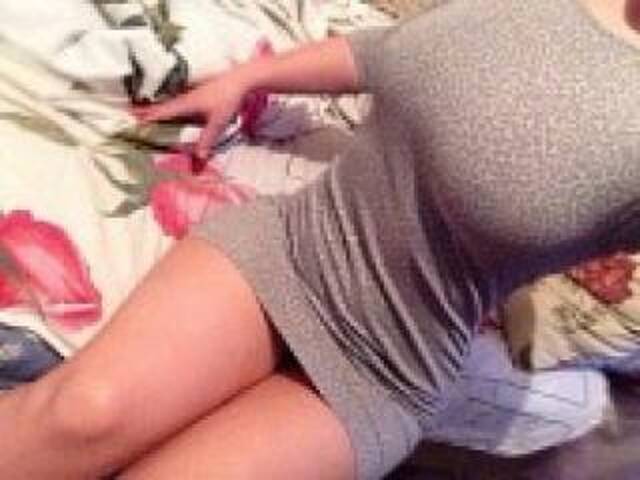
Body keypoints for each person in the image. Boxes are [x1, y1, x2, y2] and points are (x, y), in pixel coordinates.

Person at [1, 0, 639, 478]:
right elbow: (383, 51)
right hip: (290, 248)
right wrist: (249, 78)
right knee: (82, 412)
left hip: (388, 365)